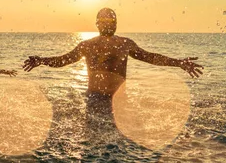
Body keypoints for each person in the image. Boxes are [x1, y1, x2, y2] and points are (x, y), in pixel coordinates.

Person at [23, 8, 203, 99]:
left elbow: (150, 57)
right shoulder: (88, 45)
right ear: (97, 24)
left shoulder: (125, 44)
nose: (109, 23)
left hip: (116, 100)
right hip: (95, 100)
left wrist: (178, 63)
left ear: (116, 23)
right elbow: (63, 61)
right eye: (105, 20)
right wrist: (41, 60)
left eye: (111, 20)